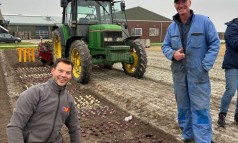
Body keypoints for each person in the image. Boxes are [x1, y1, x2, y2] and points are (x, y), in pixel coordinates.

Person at [162, 0, 220, 142]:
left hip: (198, 75)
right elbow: (165, 46)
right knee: (183, 108)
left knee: (200, 109)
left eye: (184, 2)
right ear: (174, 5)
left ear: (190, 2)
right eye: (177, 2)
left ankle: (203, 140)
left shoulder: (204, 22)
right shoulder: (172, 27)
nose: (181, 5)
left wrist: (205, 65)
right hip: (179, 75)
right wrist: (173, 54)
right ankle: (188, 137)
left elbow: (215, 43)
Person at [6, 58, 81, 143]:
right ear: (53, 71)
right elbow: (15, 127)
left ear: (71, 75)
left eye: (68, 73)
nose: (64, 75)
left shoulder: (69, 100)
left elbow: (74, 129)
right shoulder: (34, 93)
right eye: (60, 71)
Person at [218, 18, 238, 127]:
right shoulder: (231, 28)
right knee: (231, 90)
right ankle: (222, 114)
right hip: (232, 65)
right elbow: (236, 44)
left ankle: (237, 115)